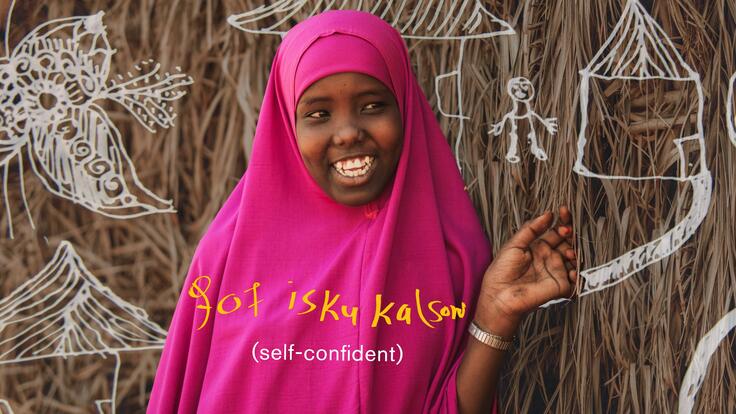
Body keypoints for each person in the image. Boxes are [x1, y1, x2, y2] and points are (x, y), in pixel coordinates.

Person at [147, 9, 577, 414]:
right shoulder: (226, 256)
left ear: (405, 109)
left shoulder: (452, 258)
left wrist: (494, 318)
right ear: (286, 126)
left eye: (373, 105)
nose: (349, 131)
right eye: (318, 114)